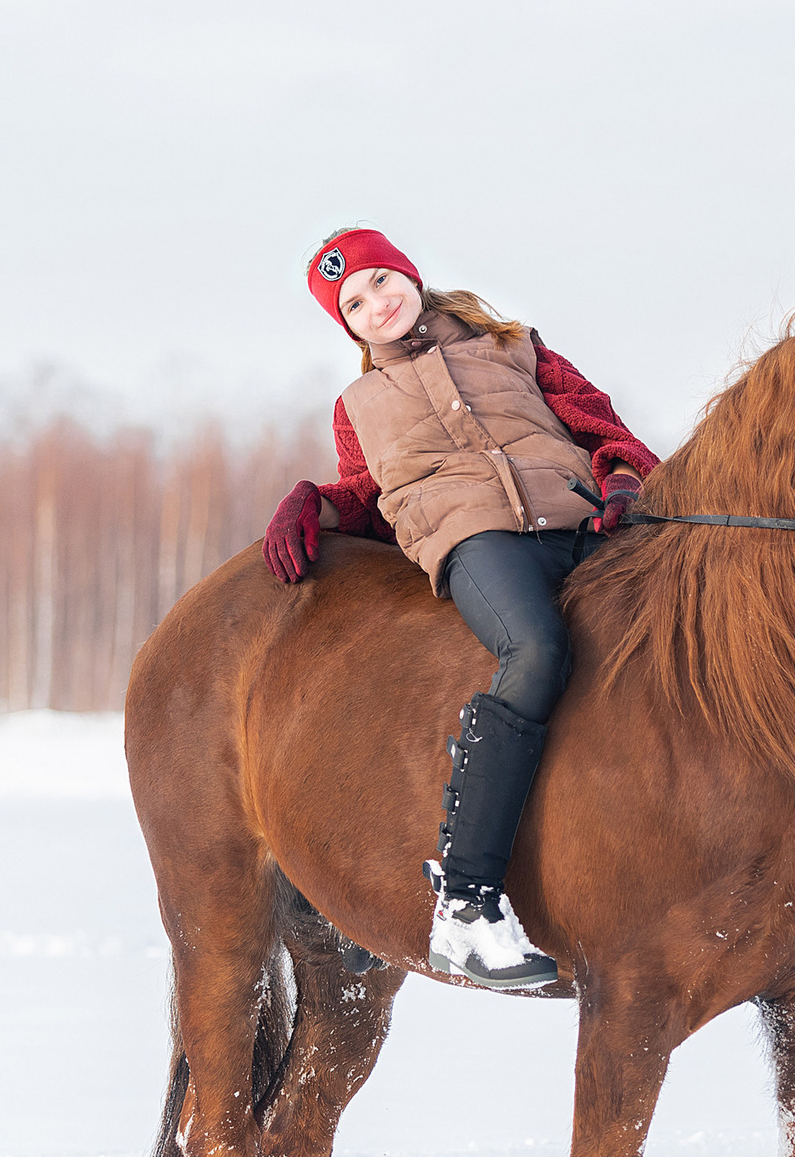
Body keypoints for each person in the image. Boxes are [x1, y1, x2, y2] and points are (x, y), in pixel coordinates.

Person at [261, 228, 658, 990]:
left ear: (408, 275)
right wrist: (314, 500)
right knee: (536, 651)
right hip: (477, 540)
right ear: (344, 324)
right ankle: (469, 905)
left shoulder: (513, 345)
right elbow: (372, 497)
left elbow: (601, 423)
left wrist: (620, 477)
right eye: (354, 302)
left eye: (381, 281)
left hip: (578, 522)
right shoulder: (359, 405)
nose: (376, 304)